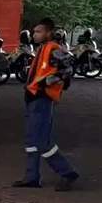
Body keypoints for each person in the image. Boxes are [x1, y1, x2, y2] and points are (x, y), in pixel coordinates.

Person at [14, 18, 79, 192]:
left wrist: (46, 84)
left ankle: (67, 172)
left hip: (42, 99)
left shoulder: (52, 48)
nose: (35, 35)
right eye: (34, 32)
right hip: (34, 99)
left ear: (48, 32)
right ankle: (31, 177)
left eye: (38, 31)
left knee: (41, 141)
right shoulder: (42, 49)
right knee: (32, 140)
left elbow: (69, 67)